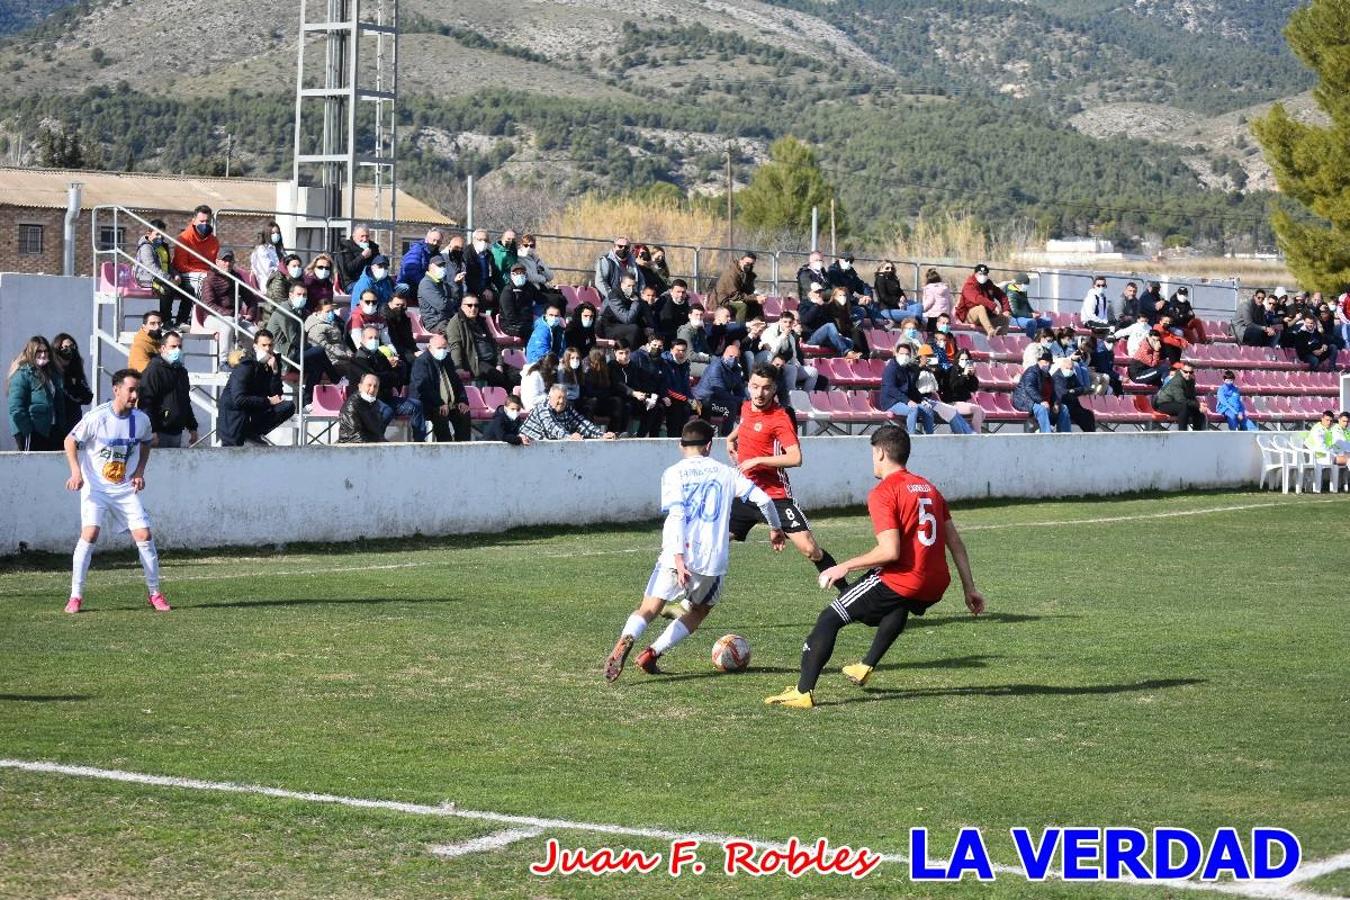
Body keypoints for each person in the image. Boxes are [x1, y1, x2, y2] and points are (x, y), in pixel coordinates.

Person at [765, 426, 985, 708]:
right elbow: (955, 542)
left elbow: (889, 551)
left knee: (830, 618)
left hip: (906, 577)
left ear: (880, 452)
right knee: (898, 604)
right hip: (936, 583)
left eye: (873, 453)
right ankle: (865, 666)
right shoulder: (929, 488)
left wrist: (842, 567)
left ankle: (802, 692)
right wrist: (970, 588)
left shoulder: (885, 492)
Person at [603, 418, 786, 681]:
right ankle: (651, 653)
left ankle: (627, 637)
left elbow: (677, 515)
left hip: (675, 554)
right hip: (710, 560)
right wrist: (775, 528)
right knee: (699, 611)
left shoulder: (673, 473)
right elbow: (765, 500)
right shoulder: (726, 473)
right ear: (710, 446)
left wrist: (678, 557)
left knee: (649, 609)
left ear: (681, 445)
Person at [725, 365, 850, 593]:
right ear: (748, 386)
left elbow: (795, 458)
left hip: (776, 496)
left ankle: (847, 593)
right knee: (716, 541)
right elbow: (744, 424)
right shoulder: (745, 407)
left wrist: (757, 461)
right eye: (754, 387)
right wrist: (730, 439)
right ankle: (686, 598)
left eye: (766, 388)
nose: (759, 393)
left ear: (774, 389)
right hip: (745, 494)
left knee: (810, 550)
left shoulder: (780, 418)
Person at [62, 368, 170, 613]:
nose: (135, 395)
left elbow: (145, 443)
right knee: (89, 534)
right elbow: (70, 440)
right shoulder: (97, 417)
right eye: (131, 390)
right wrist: (76, 472)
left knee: (144, 535)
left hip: (123, 488)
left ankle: (155, 594)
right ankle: (75, 596)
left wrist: (140, 471)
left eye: (137, 391)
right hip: (96, 487)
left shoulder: (141, 420)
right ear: (116, 390)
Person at [217, 330, 295, 446]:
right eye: (264, 345)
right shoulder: (246, 365)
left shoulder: (272, 363)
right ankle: (247, 433)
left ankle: (252, 433)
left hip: (253, 407)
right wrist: (268, 401)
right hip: (234, 413)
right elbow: (239, 400)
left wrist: (275, 372)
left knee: (287, 406)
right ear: (255, 346)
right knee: (232, 451)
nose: (268, 349)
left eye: (270, 345)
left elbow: (276, 395)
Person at [269, 281, 338, 406]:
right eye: (299, 294)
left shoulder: (300, 311)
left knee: (318, 366)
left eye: (304, 295)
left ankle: (306, 402)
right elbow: (294, 339)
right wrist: (311, 348)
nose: (302, 298)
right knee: (319, 351)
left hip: (293, 351)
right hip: (283, 356)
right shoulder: (285, 310)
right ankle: (336, 379)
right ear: (290, 295)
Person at [348, 326, 424, 436]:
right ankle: (373, 438)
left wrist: (398, 368)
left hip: (386, 397)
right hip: (369, 402)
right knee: (386, 410)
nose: (374, 340)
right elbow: (374, 380)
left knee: (416, 405)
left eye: (376, 338)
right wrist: (387, 375)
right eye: (370, 338)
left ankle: (419, 443)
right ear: (362, 340)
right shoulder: (358, 359)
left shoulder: (379, 355)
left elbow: (396, 379)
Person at [136, 332, 198, 448]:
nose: (178, 350)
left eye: (180, 347)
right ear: (163, 348)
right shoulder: (154, 371)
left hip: (176, 432)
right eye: (173, 347)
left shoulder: (181, 372)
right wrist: (152, 430)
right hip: (159, 432)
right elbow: (146, 402)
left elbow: (185, 401)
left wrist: (192, 427)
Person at [446, 296, 519, 390]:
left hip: (492, 359)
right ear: (462, 306)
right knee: (498, 378)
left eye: (476, 306)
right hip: (476, 362)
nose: (473, 308)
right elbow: (455, 347)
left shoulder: (481, 321)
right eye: (469, 305)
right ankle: (509, 402)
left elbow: (494, 343)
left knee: (517, 375)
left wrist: (499, 364)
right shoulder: (455, 323)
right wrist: (458, 367)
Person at [7, 335, 64, 451]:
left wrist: (61, 428)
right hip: (31, 432)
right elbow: (15, 408)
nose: (43, 355)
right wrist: (28, 431)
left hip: (49, 430)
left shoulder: (51, 375)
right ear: (31, 352)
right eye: (39, 351)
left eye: (46, 351)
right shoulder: (22, 374)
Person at [410, 334, 471, 442]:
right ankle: (445, 447)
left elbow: (457, 382)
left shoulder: (447, 359)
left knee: (464, 413)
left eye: (444, 348)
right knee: (441, 416)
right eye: (439, 348)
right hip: (430, 404)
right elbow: (424, 388)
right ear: (429, 347)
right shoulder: (422, 362)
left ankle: (463, 448)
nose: (442, 351)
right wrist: (439, 403)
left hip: (450, 404)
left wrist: (462, 400)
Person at [171, 205, 218, 324]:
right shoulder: (184, 238)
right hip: (185, 274)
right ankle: (200, 320)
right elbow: (180, 265)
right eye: (201, 221)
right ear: (193, 220)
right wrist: (203, 272)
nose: (205, 224)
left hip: (207, 274)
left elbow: (214, 263)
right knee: (203, 280)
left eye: (207, 221)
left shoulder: (213, 240)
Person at [519, 384, 616, 441]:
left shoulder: (567, 408)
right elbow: (552, 428)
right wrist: (569, 437)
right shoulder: (542, 408)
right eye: (558, 398)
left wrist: (601, 435)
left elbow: (581, 422)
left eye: (564, 398)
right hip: (528, 446)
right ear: (550, 397)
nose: (561, 401)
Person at [692, 340, 748, 435]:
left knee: (745, 406)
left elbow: (739, 389)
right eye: (730, 356)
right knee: (731, 406)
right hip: (702, 401)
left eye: (736, 357)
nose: (733, 359)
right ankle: (725, 437)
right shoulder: (716, 366)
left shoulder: (736, 370)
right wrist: (741, 400)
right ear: (724, 355)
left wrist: (746, 401)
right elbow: (719, 392)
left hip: (718, 401)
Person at [879, 344, 934, 435]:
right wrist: (907, 401)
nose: (905, 356)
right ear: (896, 354)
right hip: (891, 402)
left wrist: (921, 399)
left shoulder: (907, 368)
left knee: (927, 409)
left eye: (907, 354)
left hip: (904, 401)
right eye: (902, 353)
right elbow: (890, 389)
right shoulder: (891, 368)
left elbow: (911, 387)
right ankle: (911, 437)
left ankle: (930, 436)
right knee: (913, 409)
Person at [759, 310, 817, 394]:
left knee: (813, 372)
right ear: (780, 321)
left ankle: (805, 396)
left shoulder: (791, 337)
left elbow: (793, 357)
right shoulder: (770, 331)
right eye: (785, 322)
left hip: (786, 366)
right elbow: (772, 351)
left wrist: (797, 365)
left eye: (790, 322)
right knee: (792, 369)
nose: (787, 324)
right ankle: (791, 397)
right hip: (771, 365)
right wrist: (783, 336)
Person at [1012, 350, 1070, 433]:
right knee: (1042, 409)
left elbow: (1053, 392)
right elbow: (1029, 388)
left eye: (1049, 363)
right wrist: (1041, 401)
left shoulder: (1048, 375)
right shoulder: (1032, 371)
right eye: (1045, 362)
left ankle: (1066, 436)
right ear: (1039, 361)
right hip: (1027, 401)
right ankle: (1047, 434)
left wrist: (1056, 403)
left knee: (1064, 408)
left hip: (1044, 402)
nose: (1048, 365)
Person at [50, 333, 93, 440]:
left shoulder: (75, 371)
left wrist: (74, 385)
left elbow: (87, 397)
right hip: (55, 424)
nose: (69, 351)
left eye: (72, 347)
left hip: (73, 424)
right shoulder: (51, 372)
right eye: (64, 348)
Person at [134, 218, 178, 321]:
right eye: (157, 234)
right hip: (147, 278)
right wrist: (168, 278)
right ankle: (166, 322)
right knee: (166, 290)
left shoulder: (162, 247)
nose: (160, 237)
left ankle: (182, 320)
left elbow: (168, 264)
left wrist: (176, 275)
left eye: (162, 234)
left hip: (162, 277)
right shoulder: (146, 247)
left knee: (187, 289)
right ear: (149, 233)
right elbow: (151, 267)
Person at [955, 263, 1010, 338]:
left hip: (986, 317)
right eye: (980, 274)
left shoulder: (989, 284)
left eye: (985, 274)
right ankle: (990, 331)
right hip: (969, 316)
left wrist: (1006, 310)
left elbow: (1002, 295)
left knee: (1005, 319)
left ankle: (1001, 338)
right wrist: (993, 306)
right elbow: (977, 298)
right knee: (980, 308)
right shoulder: (969, 285)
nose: (982, 276)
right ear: (975, 274)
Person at [708, 252, 762, 323]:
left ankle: (758, 326)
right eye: (747, 263)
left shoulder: (747, 274)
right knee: (742, 306)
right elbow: (734, 295)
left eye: (752, 264)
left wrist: (757, 297)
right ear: (740, 261)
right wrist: (754, 298)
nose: (749, 266)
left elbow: (749, 292)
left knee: (757, 305)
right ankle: (739, 329)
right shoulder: (731, 273)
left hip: (735, 298)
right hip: (722, 301)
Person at [940, 349, 985, 433]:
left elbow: (973, 388)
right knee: (977, 410)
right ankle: (976, 435)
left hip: (963, 402)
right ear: (957, 360)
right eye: (962, 359)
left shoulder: (967, 372)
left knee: (982, 413)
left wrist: (971, 376)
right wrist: (964, 375)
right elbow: (954, 386)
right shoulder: (952, 370)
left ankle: (969, 432)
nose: (964, 361)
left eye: (967, 360)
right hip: (952, 402)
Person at [599, 274, 647, 349]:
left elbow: (645, 313)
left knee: (646, 331)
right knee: (634, 329)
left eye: (633, 286)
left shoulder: (635, 295)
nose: (631, 288)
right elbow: (627, 319)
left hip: (623, 326)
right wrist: (635, 303)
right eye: (628, 286)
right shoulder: (614, 296)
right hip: (610, 327)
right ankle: (631, 355)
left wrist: (650, 327)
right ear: (622, 284)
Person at [1153, 364, 1206, 430]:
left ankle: (1197, 434)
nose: (1188, 374)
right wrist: (1197, 405)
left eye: (1191, 372)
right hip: (1163, 404)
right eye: (1186, 372)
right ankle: (1182, 433)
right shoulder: (1177, 381)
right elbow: (1180, 399)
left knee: (1199, 412)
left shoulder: (1191, 381)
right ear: (1181, 371)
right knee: (1184, 407)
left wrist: (1200, 407)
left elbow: (1192, 397)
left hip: (1177, 403)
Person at [1052, 354, 1096, 433]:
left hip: (1073, 404)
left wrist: (1073, 391)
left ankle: (1090, 436)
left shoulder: (1072, 375)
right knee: (1066, 412)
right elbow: (1062, 394)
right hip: (1062, 404)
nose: (1069, 370)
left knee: (1088, 415)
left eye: (1071, 368)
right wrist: (1073, 391)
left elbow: (1081, 388)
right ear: (1061, 367)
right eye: (1067, 368)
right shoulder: (1057, 377)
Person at [338, 373, 387, 444]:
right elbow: (354, 435)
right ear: (360, 386)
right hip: (352, 446)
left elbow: (376, 431)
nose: (372, 389)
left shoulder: (373, 403)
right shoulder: (352, 405)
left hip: (369, 443)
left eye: (375, 386)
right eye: (369, 385)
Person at [397, 227, 444, 299]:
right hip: (408, 283)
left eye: (438, 241)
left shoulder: (437, 254)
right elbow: (410, 270)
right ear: (427, 239)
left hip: (424, 284)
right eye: (433, 240)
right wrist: (426, 284)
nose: (435, 243)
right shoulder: (417, 250)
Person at [500, 262, 543, 341]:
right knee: (530, 331)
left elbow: (541, 299)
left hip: (528, 321)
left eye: (522, 273)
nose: (520, 275)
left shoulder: (529, 286)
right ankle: (529, 352)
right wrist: (527, 324)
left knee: (545, 328)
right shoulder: (507, 291)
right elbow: (510, 316)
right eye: (517, 273)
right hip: (509, 325)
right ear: (512, 275)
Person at [1004, 272, 1052, 337]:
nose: (1026, 286)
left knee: (1048, 321)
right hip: (1015, 318)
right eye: (1025, 284)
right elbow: (1015, 312)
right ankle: (1030, 342)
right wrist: (1031, 315)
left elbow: (1026, 304)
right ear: (1019, 284)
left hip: (1025, 316)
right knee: (1032, 322)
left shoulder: (1022, 290)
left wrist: (1033, 312)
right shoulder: (1011, 294)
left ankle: (1039, 340)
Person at [418, 253, 455, 335]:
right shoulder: (426, 283)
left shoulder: (441, 283)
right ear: (430, 267)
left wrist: (457, 284)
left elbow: (454, 297)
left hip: (446, 319)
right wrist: (453, 302)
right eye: (439, 266)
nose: (442, 268)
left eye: (443, 266)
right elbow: (442, 305)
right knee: (457, 333)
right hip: (435, 323)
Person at [464, 228, 500, 310]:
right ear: (474, 240)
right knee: (484, 304)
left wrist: (489, 289)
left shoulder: (488, 254)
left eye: (485, 240)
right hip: (473, 290)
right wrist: (482, 290)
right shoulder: (467, 253)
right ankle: (485, 320)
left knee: (500, 300)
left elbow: (492, 273)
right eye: (480, 239)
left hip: (487, 288)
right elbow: (468, 277)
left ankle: (493, 320)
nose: (483, 242)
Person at [335, 223, 380, 289]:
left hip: (371, 280)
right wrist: (362, 256)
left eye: (367, 236)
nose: (365, 239)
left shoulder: (373, 247)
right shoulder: (345, 246)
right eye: (362, 236)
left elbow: (380, 261)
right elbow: (347, 270)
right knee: (366, 289)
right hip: (352, 282)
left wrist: (380, 264)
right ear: (354, 237)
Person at [653, 279, 692, 344]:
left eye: (683, 292)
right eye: (678, 292)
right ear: (671, 291)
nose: (681, 295)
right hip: (664, 335)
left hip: (682, 336)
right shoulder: (662, 302)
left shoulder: (688, 305)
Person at [250, 222, 284, 289]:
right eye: (273, 233)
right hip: (269, 285)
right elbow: (268, 271)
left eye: (278, 233)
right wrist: (285, 271)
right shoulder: (262, 250)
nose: (276, 235)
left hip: (281, 282)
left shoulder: (279, 249)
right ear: (267, 234)